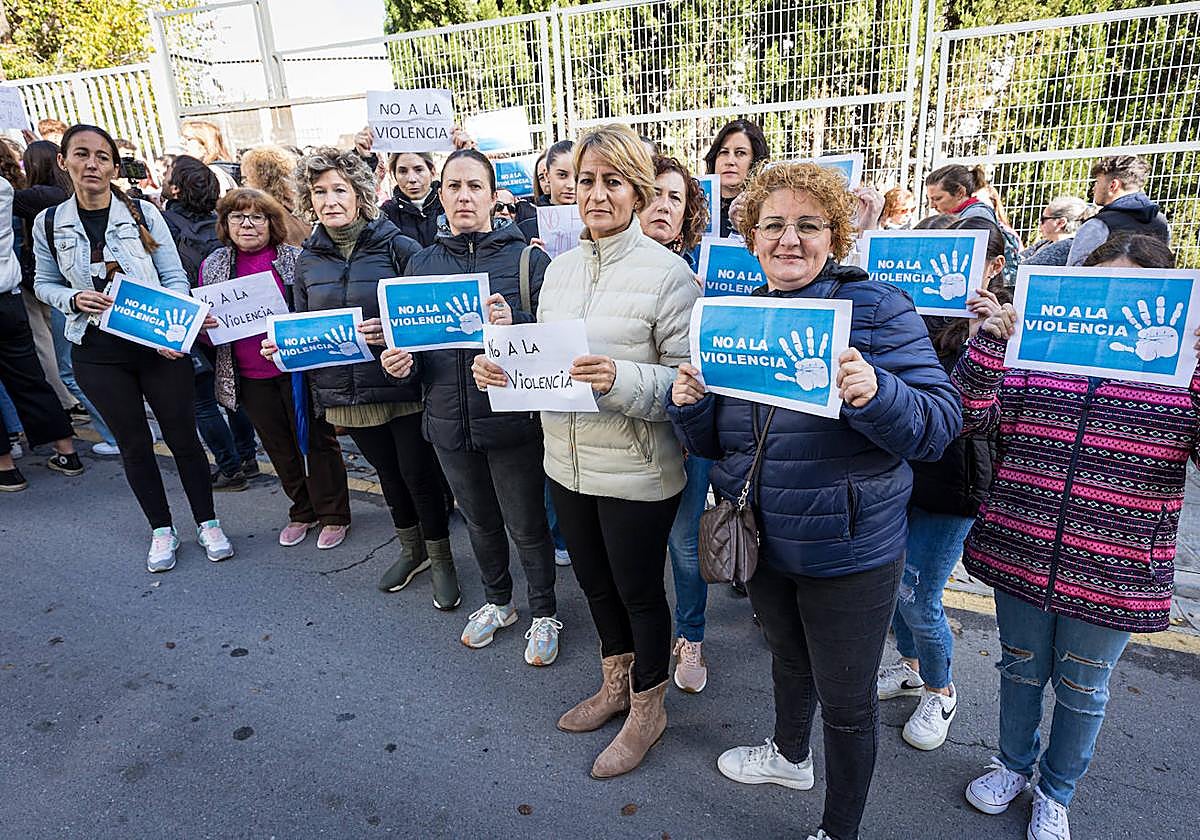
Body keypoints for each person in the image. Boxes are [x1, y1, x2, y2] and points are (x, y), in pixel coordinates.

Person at [668, 161, 960, 840]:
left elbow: (938, 425)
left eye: (808, 225)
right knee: (787, 659)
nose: (789, 239)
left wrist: (876, 392)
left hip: (849, 548)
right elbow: (721, 438)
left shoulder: (879, 308)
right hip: (763, 537)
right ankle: (790, 757)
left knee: (849, 703)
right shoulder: (737, 315)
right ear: (751, 236)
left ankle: (839, 829)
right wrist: (688, 404)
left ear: (836, 234)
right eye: (773, 225)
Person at [474, 123, 699, 778]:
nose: (596, 194)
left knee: (637, 593)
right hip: (564, 462)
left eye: (612, 181)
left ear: (635, 189)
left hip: (636, 468)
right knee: (597, 587)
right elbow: (548, 363)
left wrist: (619, 379)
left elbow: (688, 386)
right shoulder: (561, 270)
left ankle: (648, 710)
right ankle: (614, 684)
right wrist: (502, 366)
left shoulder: (670, 276)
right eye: (585, 180)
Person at [955, 234, 1192, 840]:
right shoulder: (1036, 348)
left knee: (1085, 685)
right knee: (1020, 667)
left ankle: (1056, 792)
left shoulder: (1182, 364)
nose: (1114, 302)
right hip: (1023, 540)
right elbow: (970, 414)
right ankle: (1010, 765)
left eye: (1136, 290)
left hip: (1115, 561)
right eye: (1101, 285)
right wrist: (989, 344)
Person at [380, 149, 560, 663]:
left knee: (526, 525)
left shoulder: (527, 259)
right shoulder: (420, 264)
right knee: (479, 522)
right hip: (447, 423)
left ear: (492, 195)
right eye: (453, 186)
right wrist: (401, 365)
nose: (463, 196)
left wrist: (517, 320)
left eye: (474, 186)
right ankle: (499, 601)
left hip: (512, 422)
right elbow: (412, 350)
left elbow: (554, 338)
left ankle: (544, 612)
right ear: (441, 194)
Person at [260, 148, 458, 607]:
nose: (330, 200)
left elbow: (428, 318)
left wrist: (392, 331)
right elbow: (303, 323)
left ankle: (441, 557)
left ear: (360, 194)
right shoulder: (307, 260)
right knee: (387, 475)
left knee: (419, 475)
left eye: (339, 190)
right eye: (319, 191)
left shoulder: (397, 246)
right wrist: (282, 349)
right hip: (346, 394)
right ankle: (412, 551)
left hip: (401, 387)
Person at [33, 124, 233, 571]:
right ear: (64, 161)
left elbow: (174, 277)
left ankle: (207, 521)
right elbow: (42, 283)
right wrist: (71, 298)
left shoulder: (142, 213)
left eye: (102, 156)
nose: (92, 164)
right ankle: (162, 529)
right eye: (81, 154)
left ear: (113, 166)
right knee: (135, 445)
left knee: (183, 437)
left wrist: (173, 330)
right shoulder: (50, 222)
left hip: (156, 347)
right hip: (97, 351)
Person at [877, 217, 1008, 752]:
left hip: (950, 484)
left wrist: (986, 343)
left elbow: (960, 413)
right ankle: (911, 669)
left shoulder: (998, 329)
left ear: (993, 266)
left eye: (958, 255)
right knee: (893, 588)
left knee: (919, 594)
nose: (938, 268)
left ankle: (941, 688)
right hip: (896, 475)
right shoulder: (907, 316)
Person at [200, 188, 351, 548]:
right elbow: (210, 325)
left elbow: (312, 311)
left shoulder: (295, 259)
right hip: (248, 375)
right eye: (237, 217)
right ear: (225, 223)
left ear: (272, 223)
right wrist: (204, 327)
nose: (247, 224)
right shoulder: (213, 265)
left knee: (317, 441)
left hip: (297, 370)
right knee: (277, 446)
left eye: (257, 217)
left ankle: (334, 513)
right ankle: (302, 510)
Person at [636, 154, 713, 691]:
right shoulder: (606, 270)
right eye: (655, 194)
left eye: (675, 198)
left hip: (688, 436)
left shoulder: (701, 278)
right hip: (632, 435)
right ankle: (642, 637)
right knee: (638, 545)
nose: (663, 206)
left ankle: (691, 637)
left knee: (685, 546)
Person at [162, 155, 260, 492]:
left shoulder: (163, 224)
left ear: (175, 188)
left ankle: (230, 467)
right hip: (228, 320)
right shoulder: (220, 224)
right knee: (234, 393)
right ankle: (248, 457)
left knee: (203, 400)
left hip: (191, 319)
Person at [0, 173, 86, 492]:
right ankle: (66, 451)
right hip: (7, 299)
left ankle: (6, 468)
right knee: (29, 377)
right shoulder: (4, 188)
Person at [924, 165, 1020, 283]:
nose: (932, 205)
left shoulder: (977, 216)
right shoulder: (966, 213)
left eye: (937, 199)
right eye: (930, 199)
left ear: (960, 192)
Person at [1067, 155, 1169, 265]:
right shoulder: (1161, 222)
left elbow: (1075, 273)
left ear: (1113, 185)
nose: (1094, 188)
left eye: (1097, 182)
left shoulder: (1098, 225)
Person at [703, 119, 770, 237]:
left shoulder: (767, 209)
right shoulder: (697, 205)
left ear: (756, 161)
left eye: (740, 153)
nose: (730, 161)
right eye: (724, 152)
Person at [239, 145, 312, 246]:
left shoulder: (264, 211)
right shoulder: (295, 203)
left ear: (258, 178)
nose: (244, 183)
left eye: (246, 178)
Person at [517, 140, 576, 242]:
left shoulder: (595, 221)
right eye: (562, 175)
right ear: (547, 176)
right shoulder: (525, 228)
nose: (571, 185)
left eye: (577, 176)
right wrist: (530, 254)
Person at [379, 152, 442, 247]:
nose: (412, 179)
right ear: (394, 175)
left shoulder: (450, 205)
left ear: (432, 171)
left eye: (419, 170)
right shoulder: (387, 213)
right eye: (403, 171)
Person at [1021, 196, 1088, 261]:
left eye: (1043, 219)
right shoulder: (1045, 243)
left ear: (1061, 222)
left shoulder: (1065, 247)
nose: (1040, 223)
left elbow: (1022, 266)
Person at [180, 119, 238, 194]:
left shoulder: (213, 173)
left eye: (188, 139)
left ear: (206, 144)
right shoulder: (220, 169)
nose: (182, 143)